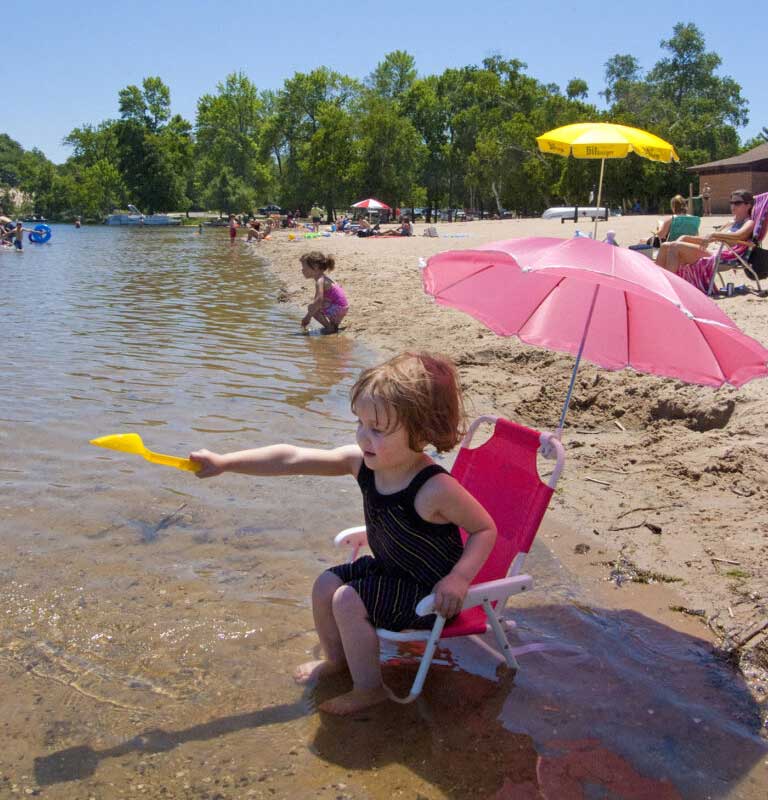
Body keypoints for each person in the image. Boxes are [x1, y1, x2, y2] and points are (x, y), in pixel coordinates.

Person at [189, 351, 496, 715]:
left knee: (347, 601)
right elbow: (292, 458)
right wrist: (226, 463)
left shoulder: (434, 488)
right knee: (325, 585)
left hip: (428, 594)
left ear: (422, 432)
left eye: (378, 429)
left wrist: (459, 579)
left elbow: (484, 529)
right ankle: (337, 662)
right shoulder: (362, 463)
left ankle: (370, 689)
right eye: (360, 423)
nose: (364, 437)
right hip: (390, 571)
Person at [655, 189, 754, 274]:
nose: (733, 206)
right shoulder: (730, 222)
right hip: (710, 249)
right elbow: (710, 239)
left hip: (722, 255)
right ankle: (659, 280)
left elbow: (738, 236)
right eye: (731, 203)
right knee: (665, 246)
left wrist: (714, 234)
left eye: (737, 203)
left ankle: (671, 284)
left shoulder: (749, 222)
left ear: (748, 205)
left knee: (675, 247)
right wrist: (685, 237)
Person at [300, 251, 349, 333]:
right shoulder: (323, 278)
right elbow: (318, 299)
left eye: (304, 267)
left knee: (312, 308)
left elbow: (318, 301)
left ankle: (329, 327)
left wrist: (307, 317)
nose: (302, 270)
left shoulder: (320, 281)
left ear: (315, 267)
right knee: (314, 306)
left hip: (338, 309)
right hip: (342, 307)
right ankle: (333, 325)